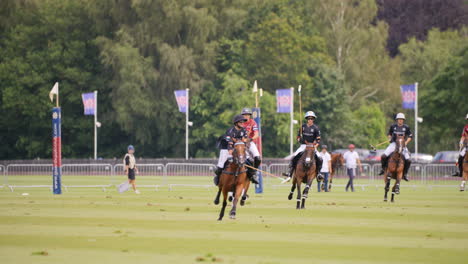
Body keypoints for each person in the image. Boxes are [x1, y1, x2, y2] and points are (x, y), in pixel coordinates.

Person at [214, 114, 259, 186]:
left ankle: (252, 175)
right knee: (221, 165)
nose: (242, 123)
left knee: (249, 160)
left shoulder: (244, 130)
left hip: (238, 147)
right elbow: (230, 144)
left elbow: (245, 141)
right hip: (226, 148)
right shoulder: (230, 131)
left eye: (243, 122)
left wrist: (245, 148)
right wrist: (230, 154)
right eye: (240, 122)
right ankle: (218, 177)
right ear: (236, 123)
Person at [283, 111, 323, 181]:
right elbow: (298, 137)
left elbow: (318, 140)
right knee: (294, 157)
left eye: (311, 118)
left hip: (312, 146)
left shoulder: (316, 128)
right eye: (309, 118)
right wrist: (300, 139)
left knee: (320, 158)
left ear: (313, 119)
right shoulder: (303, 127)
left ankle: (319, 173)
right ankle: (290, 173)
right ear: (307, 119)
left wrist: (315, 146)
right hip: (303, 146)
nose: (310, 120)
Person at [378, 113, 412, 182]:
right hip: (394, 144)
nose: (400, 121)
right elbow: (389, 134)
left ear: (403, 120)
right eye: (399, 119)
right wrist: (390, 138)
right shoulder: (393, 126)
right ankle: (383, 169)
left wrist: (405, 143)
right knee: (383, 156)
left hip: (402, 144)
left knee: (408, 160)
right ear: (397, 120)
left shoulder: (406, 127)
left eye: (402, 119)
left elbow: (410, 136)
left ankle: (405, 174)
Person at [240, 108, 261, 183]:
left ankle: (254, 173)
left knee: (257, 158)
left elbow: (256, 134)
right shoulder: (240, 123)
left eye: (247, 115)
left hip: (250, 142)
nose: (246, 116)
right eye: (244, 115)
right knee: (249, 160)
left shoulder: (253, 122)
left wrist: (250, 139)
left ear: (249, 116)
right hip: (240, 143)